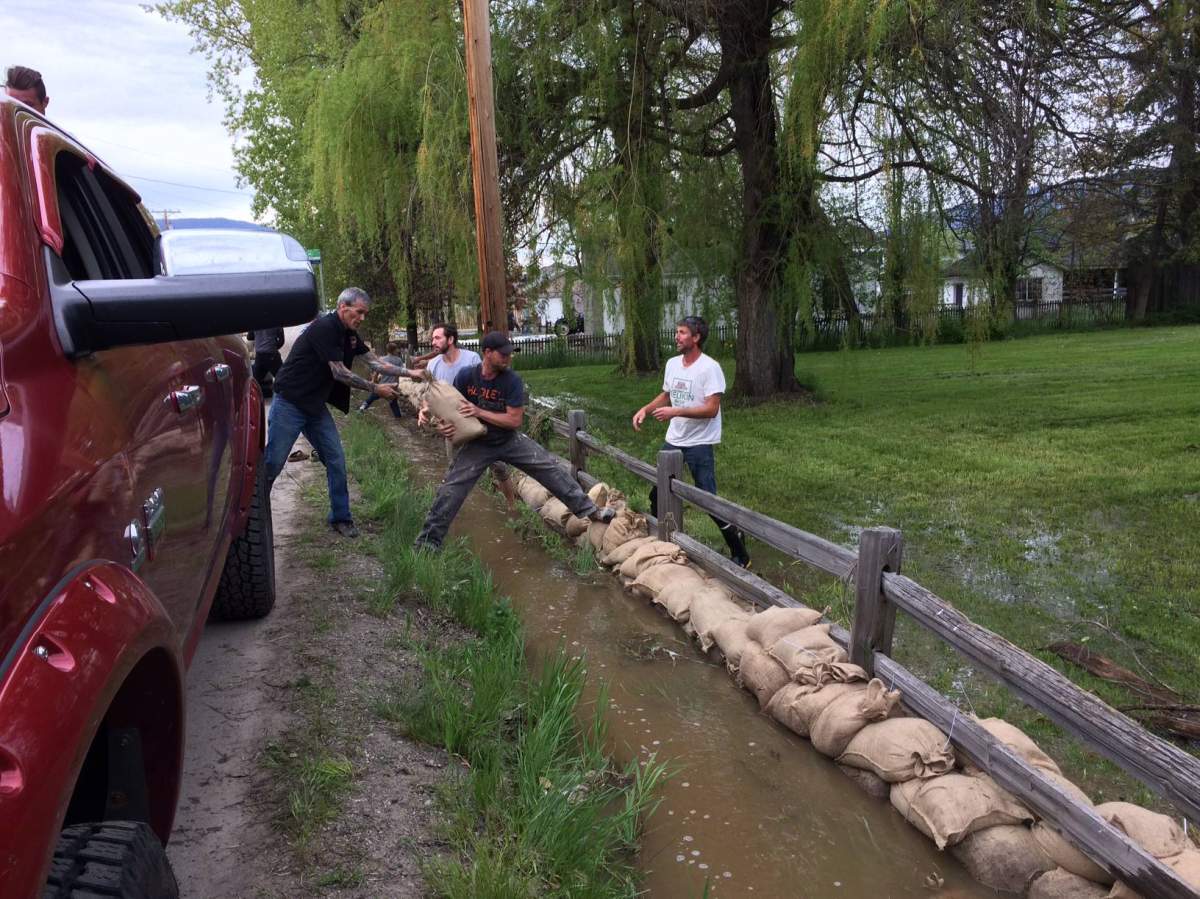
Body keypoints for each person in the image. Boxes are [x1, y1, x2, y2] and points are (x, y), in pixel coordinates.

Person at [414, 331, 613, 550]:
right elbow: (448, 403)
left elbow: (513, 420)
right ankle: (427, 543)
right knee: (452, 488)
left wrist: (479, 411)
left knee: (550, 469)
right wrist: (433, 416)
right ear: (487, 353)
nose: (509, 358)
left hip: (509, 440)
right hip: (478, 443)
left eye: (510, 354)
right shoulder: (466, 376)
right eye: (504, 354)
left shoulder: (511, 380)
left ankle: (591, 510)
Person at [263, 287, 401, 538]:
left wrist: (412, 374)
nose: (362, 318)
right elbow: (339, 373)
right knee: (272, 462)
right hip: (291, 403)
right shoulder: (324, 328)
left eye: (365, 314)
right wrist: (374, 388)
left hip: (314, 407)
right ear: (343, 307)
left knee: (336, 459)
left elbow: (375, 362)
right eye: (359, 312)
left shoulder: (350, 334)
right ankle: (254, 517)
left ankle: (340, 517)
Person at [632, 315, 751, 567]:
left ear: (696, 338)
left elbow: (711, 409)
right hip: (674, 439)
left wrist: (676, 411)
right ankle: (662, 541)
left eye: (683, 332)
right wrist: (645, 408)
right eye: (677, 331)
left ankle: (739, 550)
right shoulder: (673, 364)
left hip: (699, 442)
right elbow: (667, 394)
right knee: (658, 493)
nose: (677, 336)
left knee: (707, 498)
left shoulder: (710, 368)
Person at [405, 322, 517, 510]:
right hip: (453, 426)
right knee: (454, 470)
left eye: (437, 338)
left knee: (499, 467)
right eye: (433, 338)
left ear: (451, 339)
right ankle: (458, 511)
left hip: (480, 423)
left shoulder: (471, 359)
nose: (433, 341)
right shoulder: (433, 364)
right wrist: (424, 410)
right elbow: (429, 394)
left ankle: (512, 507)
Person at [358, 341, 405, 417]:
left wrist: (373, 381)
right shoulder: (398, 360)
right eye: (397, 349)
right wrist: (396, 385)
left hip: (381, 386)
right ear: (394, 350)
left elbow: (376, 372)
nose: (398, 351)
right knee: (394, 405)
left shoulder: (382, 359)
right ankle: (398, 418)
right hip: (392, 388)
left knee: (370, 399)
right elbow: (399, 373)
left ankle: (361, 409)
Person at [251, 326, 285, 396]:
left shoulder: (254, 321)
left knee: (254, 382)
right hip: (272, 355)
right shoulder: (276, 321)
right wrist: (273, 347)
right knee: (284, 378)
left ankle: (254, 397)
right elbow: (281, 341)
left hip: (259, 356)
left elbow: (249, 336)